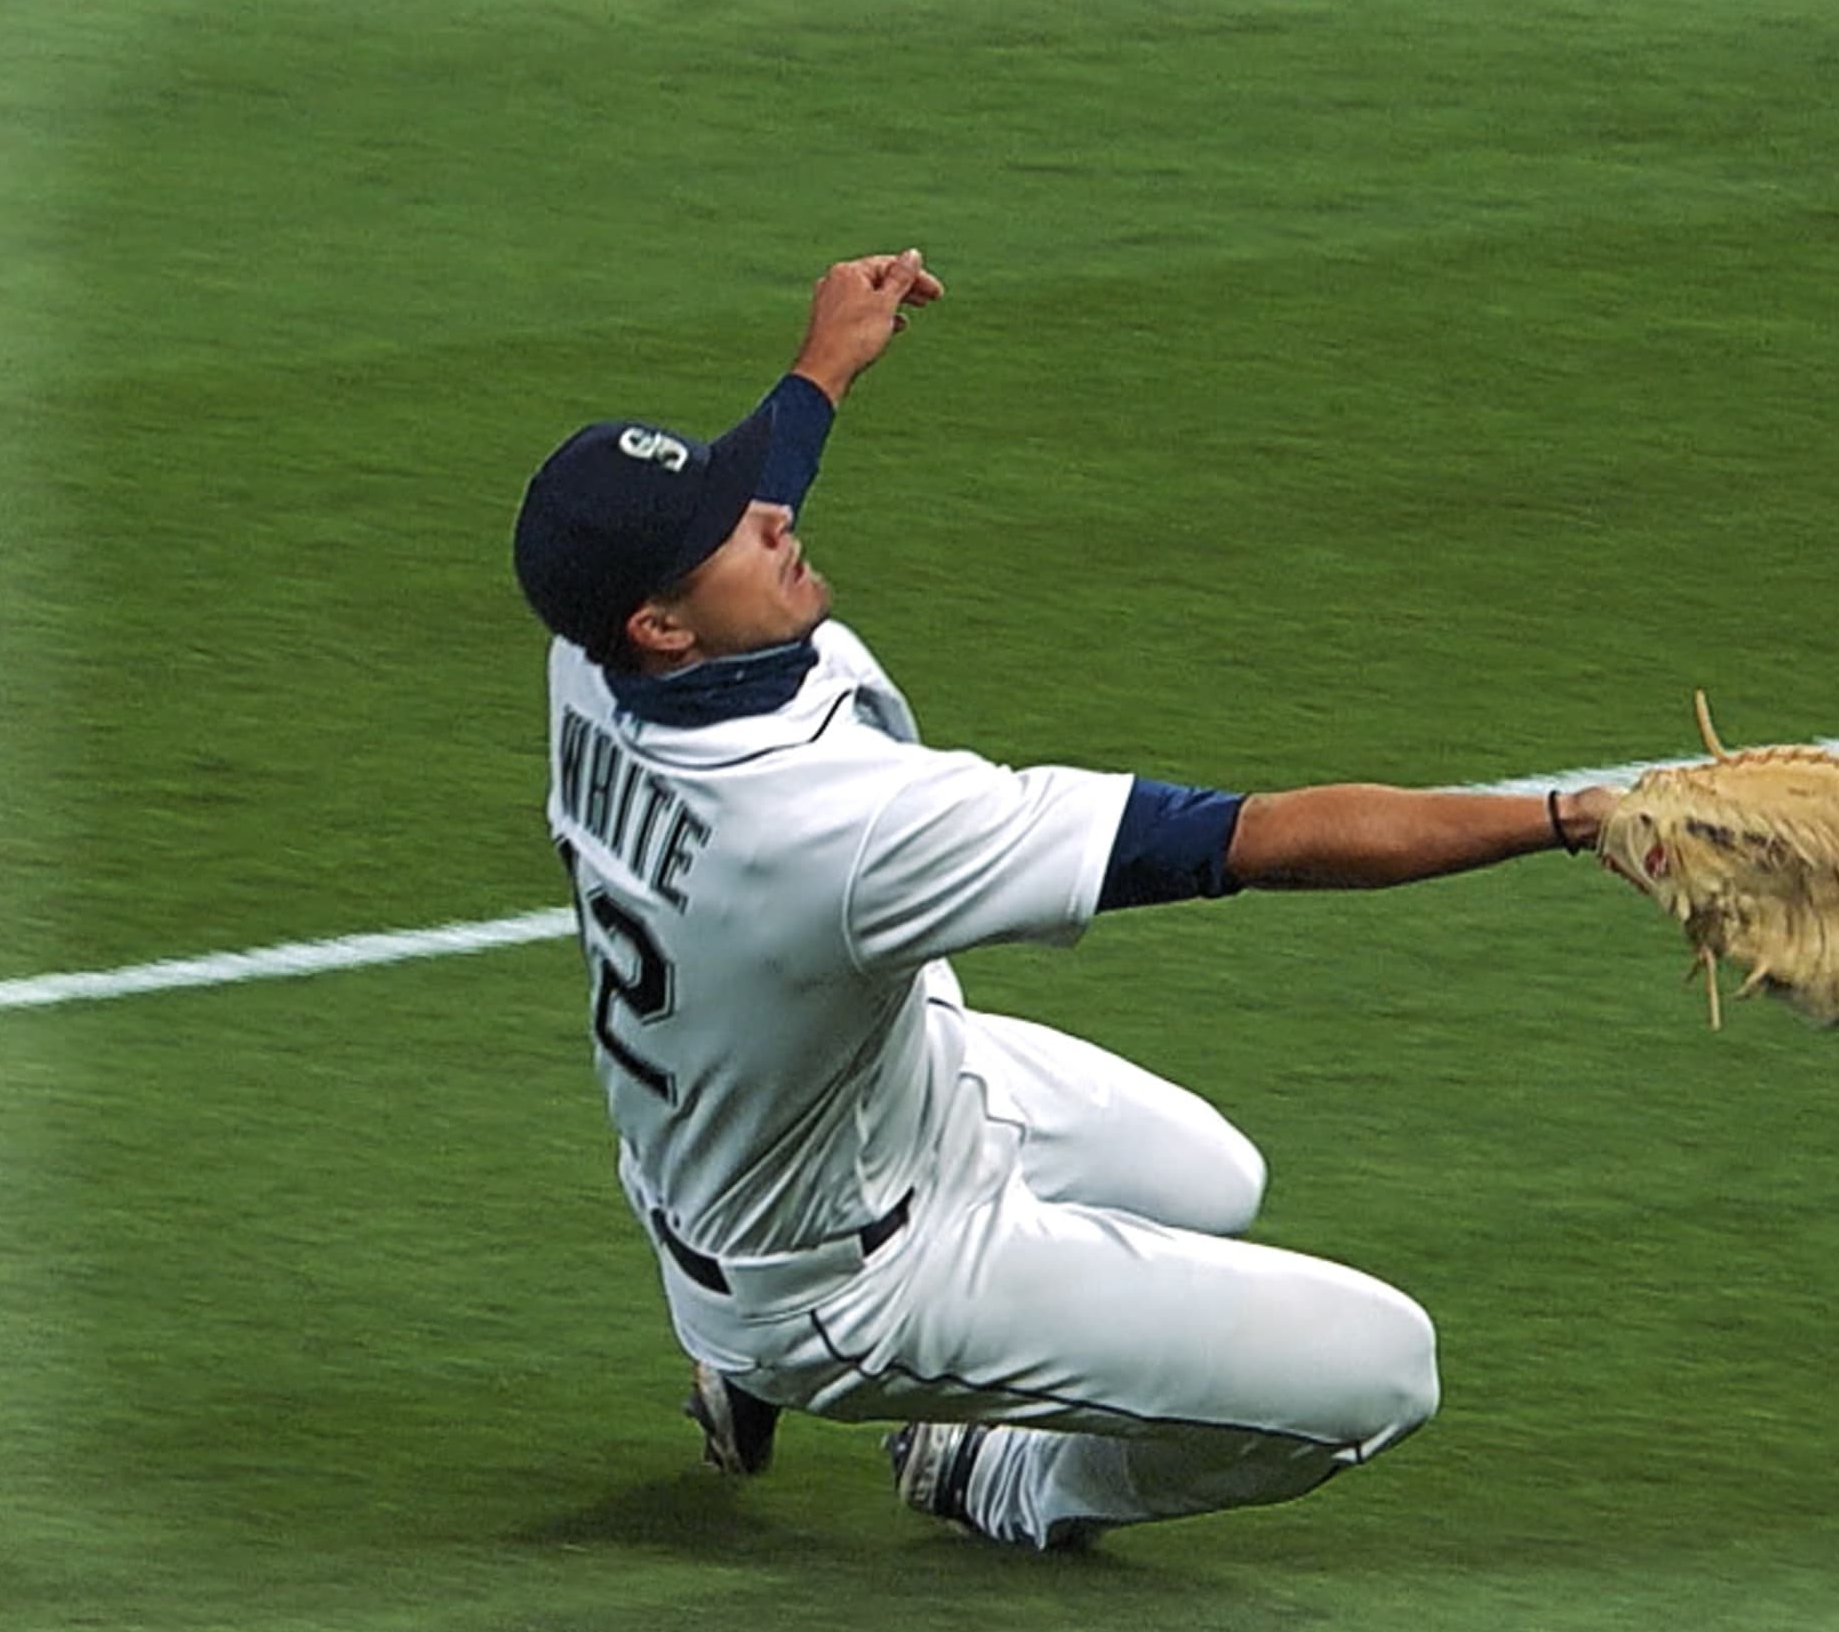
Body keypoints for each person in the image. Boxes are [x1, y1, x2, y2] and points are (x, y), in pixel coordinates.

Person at [509, 250, 1617, 1551]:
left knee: (1212, 1179)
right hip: (851, 1276)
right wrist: (1573, 817)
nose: (767, 515)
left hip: (803, 1123)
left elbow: (741, 505)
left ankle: (743, 1359)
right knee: (1386, 1368)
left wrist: (820, 372)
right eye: (726, 532)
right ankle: (1004, 1479)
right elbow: (1257, 841)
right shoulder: (830, 831)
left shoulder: (596, 666)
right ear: (663, 626)